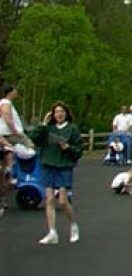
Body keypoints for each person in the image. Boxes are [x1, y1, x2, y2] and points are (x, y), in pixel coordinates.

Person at [27, 102, 83, 245]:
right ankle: (52, 232)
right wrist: (43, 124)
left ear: (66, 114)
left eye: (62, 112)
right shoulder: (48, 129)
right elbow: (34, 138)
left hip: (63, 166)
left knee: (63, 201)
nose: (59, 114)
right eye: (56, 112)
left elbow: (78, 150)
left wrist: (68, 147)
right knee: (50, 199)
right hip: (48, 164)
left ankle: (73, 225)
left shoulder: (72, 129)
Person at [1, 84, 35, 214]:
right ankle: (13, 173)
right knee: (30, 149)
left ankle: (10, 172)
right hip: (10, 133)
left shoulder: (7, 103)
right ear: (10, 92)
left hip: (9, 133)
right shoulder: (5, 103)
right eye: (15, 91)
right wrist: (16, 132)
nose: (17, 93)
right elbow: (7, 117)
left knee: (14, 153)